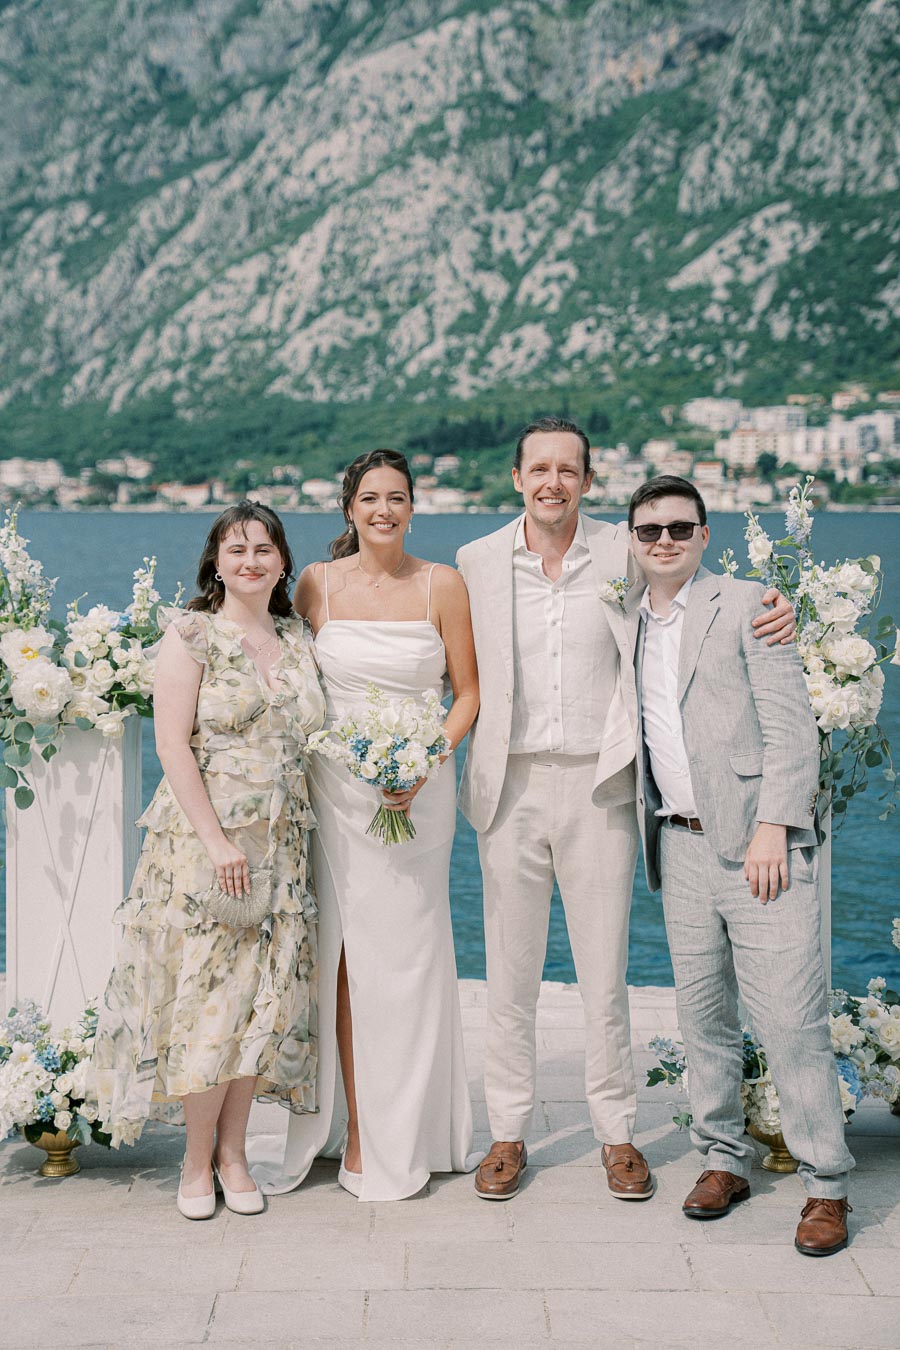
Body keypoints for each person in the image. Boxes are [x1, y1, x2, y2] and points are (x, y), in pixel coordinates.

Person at [456, 418, 796, 1202]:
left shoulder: (622, 551)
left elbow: (699, 587)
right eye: (538, 469)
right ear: (516, 478)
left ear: (585, 478)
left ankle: (616, 1134)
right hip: (507, 786)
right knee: (510, 977)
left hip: (605, 787)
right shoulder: (476, 561)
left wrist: (772, 607)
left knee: (604, 975)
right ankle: (507, 1133)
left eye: (567, 469)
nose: (552, 482)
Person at [248, 449, 481, 1201]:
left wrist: (426, 760)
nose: (385, 510)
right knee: (346, 958)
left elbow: (468, 694)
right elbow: (277, 665)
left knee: (408, 962)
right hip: (337, 796)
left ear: (414, 508)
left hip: (420, 796)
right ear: (348, 508)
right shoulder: (316, 583)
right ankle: (351, 1129)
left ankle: (404, 1132)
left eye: (399, 498)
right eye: (371, 498)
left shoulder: (443, 585)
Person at [629, 474, 854, 1255]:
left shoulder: (750, 603)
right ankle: (722, 1159)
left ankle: (826, 1184)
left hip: (760, 848)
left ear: (704, 538)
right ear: (633, 540)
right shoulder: (627, 620)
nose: (664, 541)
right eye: (650, 529)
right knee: (704, 1022)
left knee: (793, 1022)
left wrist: (774, 828)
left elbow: (794, 730)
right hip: (679, 843)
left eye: (680, 529)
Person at [91, 502, 326, 1220]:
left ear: (283, 561)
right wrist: (219, 842)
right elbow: (170, 747)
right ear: (215, 563)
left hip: (282, 845)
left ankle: (235, 1153)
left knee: (261, 1002)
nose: (250, 560)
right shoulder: (191, 634)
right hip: (205, 844)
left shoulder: (297, 637)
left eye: (264, 548)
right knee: (206, 1001)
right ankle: (196, 1162)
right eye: (236, 549)